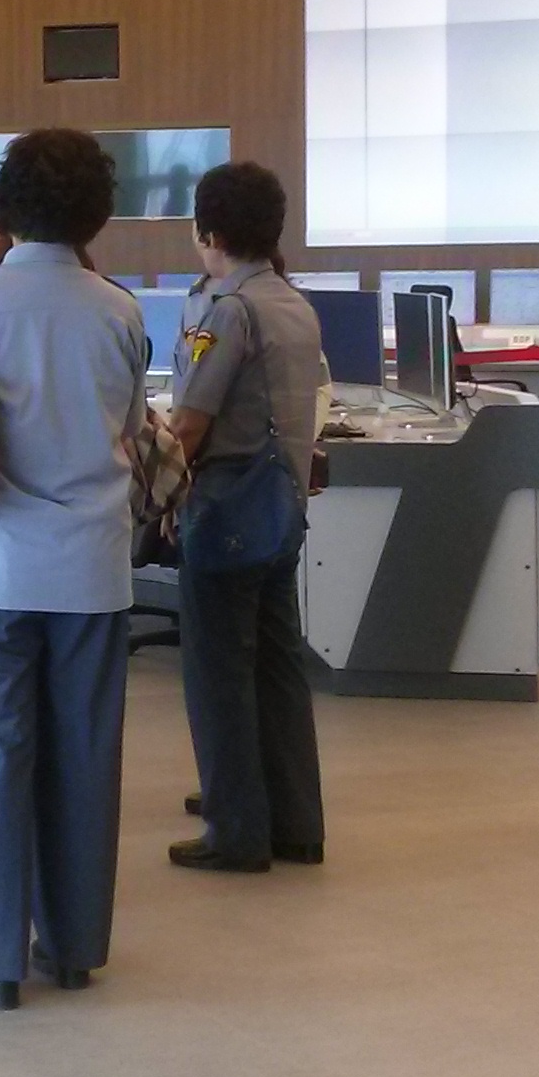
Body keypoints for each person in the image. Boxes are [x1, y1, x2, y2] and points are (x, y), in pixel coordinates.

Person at [0, 129, 146, 1009]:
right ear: (97, 213)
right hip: (91, 571)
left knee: (0, 759)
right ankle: (74, 945)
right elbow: (132, 428)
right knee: (84, 758)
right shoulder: (119, 310)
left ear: (3, 206)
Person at [164, 161, 328, 876]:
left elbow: (191, 424)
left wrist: (151, 491)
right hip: (281, 506)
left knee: (218, 673)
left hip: (226, 507)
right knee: (278, 667)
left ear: (210, 233)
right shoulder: (293, 303)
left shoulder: (228, 311)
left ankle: (235, 829)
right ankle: (295, 821)